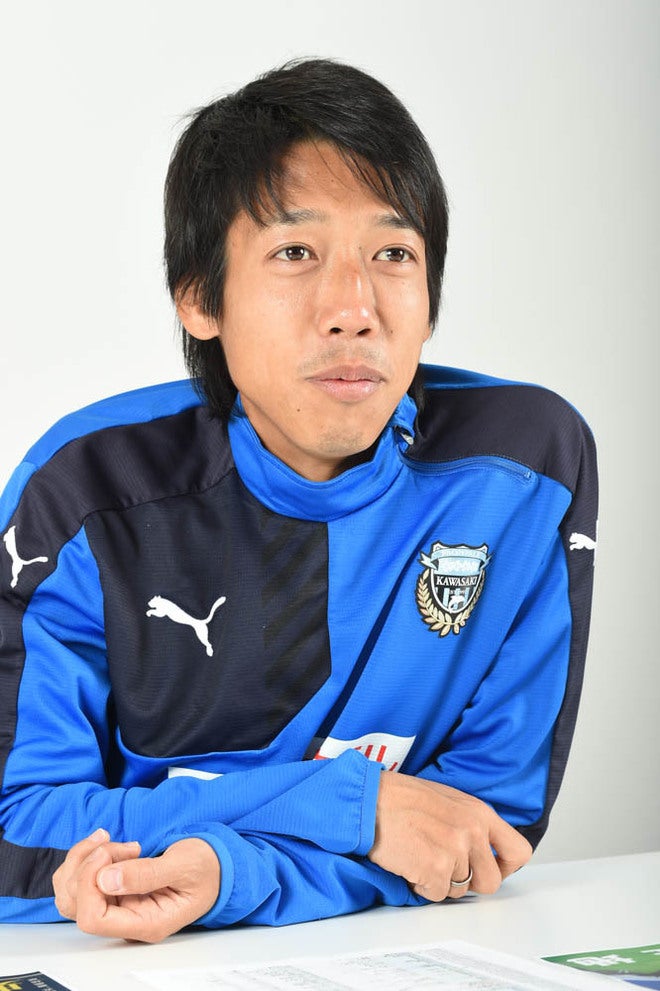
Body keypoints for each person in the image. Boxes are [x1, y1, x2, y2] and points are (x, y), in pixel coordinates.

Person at [0, 58, 597, 943]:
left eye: (392, 254)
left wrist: (235, 873)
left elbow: (476, 833)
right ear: (199, 297)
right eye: (295, 252)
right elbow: (15, 833)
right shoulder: (87, 489)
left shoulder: (524, 469)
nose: (354, 308)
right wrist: (350, 802)